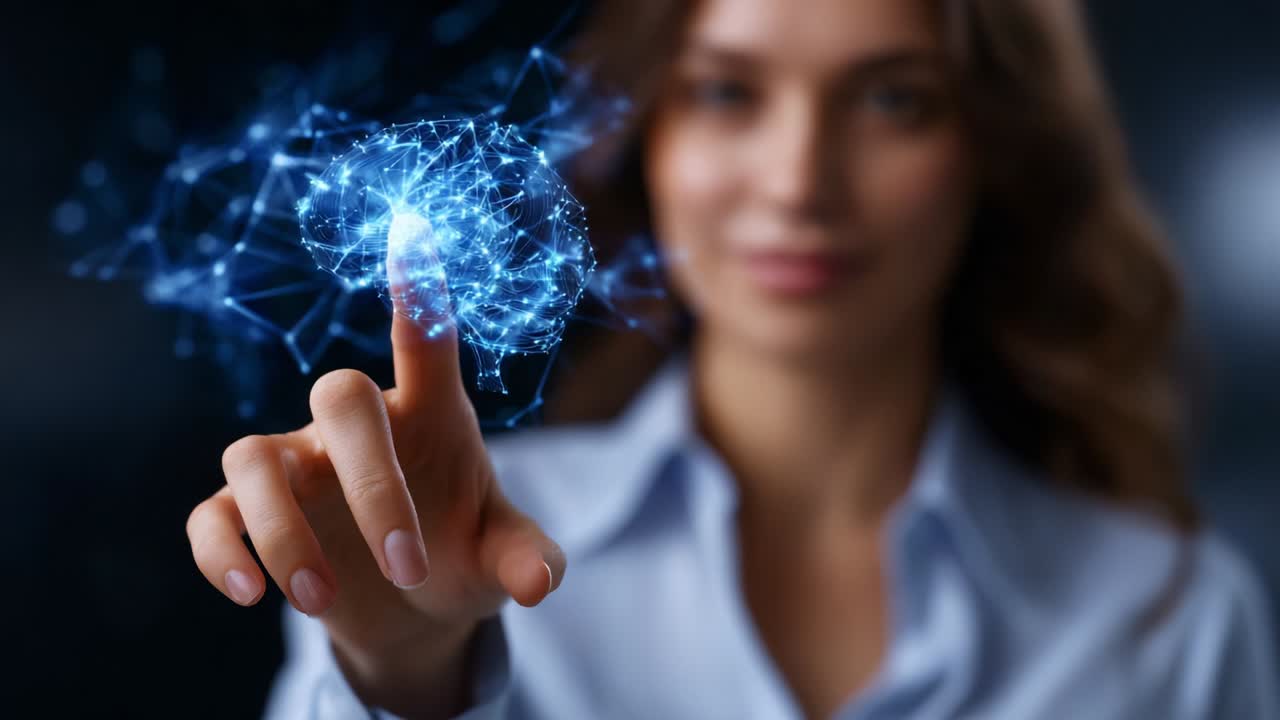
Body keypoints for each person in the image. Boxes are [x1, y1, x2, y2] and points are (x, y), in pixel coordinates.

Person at [186, 0, 1278, 718]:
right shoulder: (426, 541)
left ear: (990, 151)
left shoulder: (1169, 619)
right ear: (647, 138)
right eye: (726, 92)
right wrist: (407, 673)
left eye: (893, 98)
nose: (798, 181)